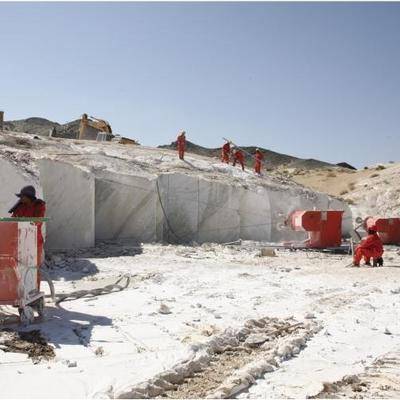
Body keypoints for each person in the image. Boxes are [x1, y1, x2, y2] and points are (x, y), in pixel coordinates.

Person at [9, 186, 46, 268]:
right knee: (21, 267)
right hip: (21, 240)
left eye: (22, 196)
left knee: (34, 267)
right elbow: (13, 220)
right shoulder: (20, 206)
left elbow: (38, 221)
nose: (20, 198)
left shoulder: (39, 205)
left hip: (35, 239)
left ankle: (36, 281)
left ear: (29, 197)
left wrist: (26, 222)